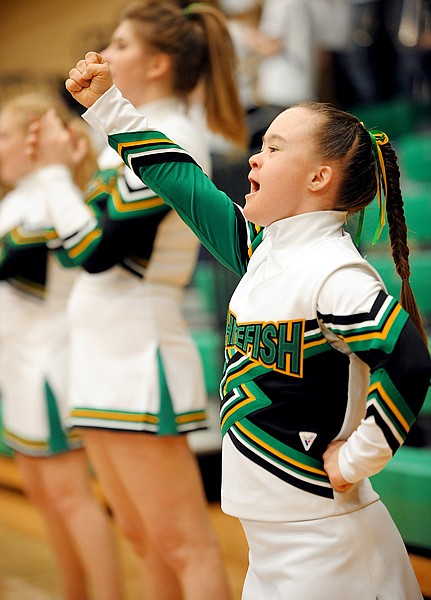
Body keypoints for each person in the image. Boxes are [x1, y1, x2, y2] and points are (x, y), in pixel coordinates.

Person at [57, 50, 431, 599]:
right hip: (270, 544)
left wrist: (360, 456)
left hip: (328, 546)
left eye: (274, 148)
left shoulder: (334, 271)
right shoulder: (265, 254)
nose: (254, 159)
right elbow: (183, 183)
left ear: (319, 177)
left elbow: (409, 360)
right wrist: (110, 107)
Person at [26, 2, 248, 599]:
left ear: (157, 62)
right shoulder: (118, 140)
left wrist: (50, 176)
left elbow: (96, 251)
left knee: (184, 543)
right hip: (100, 352)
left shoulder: (172, 134)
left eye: (122, 44)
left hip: (138, 356)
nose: (108, 52)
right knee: (143, 538)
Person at [0, 92, 123, 600]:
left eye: (4, 135)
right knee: (44, 496)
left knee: (71, 497)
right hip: (17, 367)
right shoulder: (14, 201)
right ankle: (74, 591)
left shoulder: (50, 197)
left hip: (50, 365)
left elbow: (20, 268)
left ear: (34, 139)